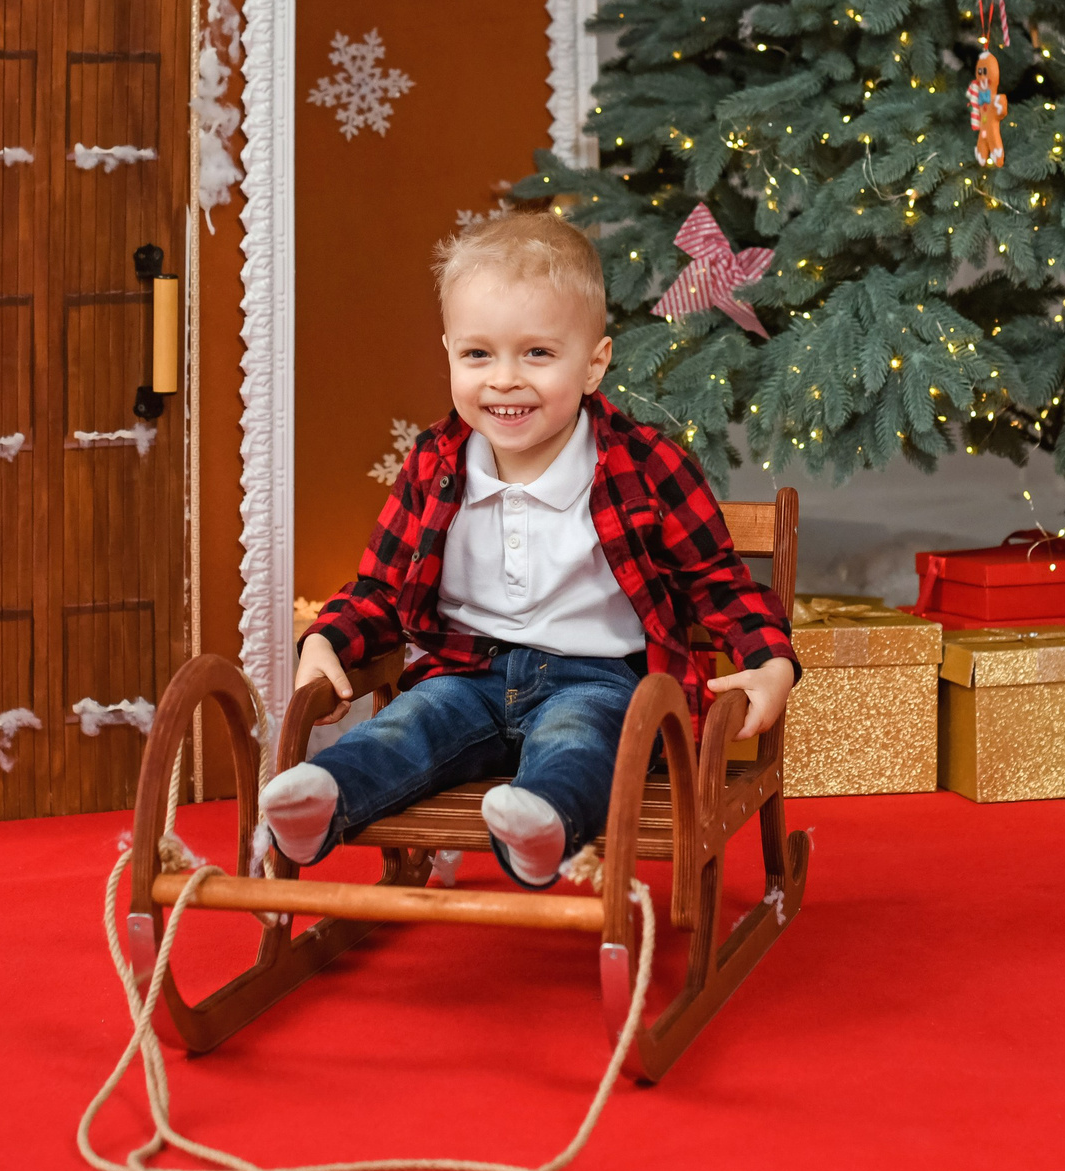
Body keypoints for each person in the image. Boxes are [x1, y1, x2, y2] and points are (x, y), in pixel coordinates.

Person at [262, 211, 797, 888]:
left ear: (594, 363)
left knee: (576, 743)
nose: (504, 380)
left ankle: (541, 824)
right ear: (449, 352)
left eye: (537, 354)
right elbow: (380, 591)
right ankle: (323, 800)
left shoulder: (645, 466)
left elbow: (720, 586)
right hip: (467, 674)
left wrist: (770, 660)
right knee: (407, 726)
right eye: (478, 354)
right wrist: (326, 641)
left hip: (599, 679)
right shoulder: (435, 463)